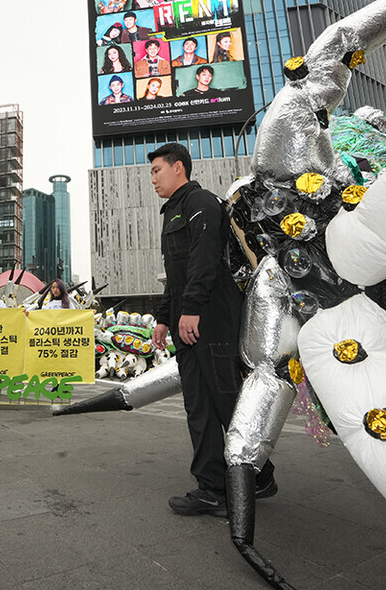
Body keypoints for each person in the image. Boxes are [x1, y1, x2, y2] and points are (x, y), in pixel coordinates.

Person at [148, 142, 274, 516]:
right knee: (200, 406)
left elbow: (204, 261)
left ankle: (255, 475)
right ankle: (216, 486)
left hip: (211, 319)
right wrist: (163, 317)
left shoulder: (201, 203)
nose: (152, 178)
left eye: (157, 170)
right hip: (190, 322)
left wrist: (191, 310)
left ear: (179, 168)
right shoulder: (173, 212)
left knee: (226, 402)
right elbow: (177, 274)